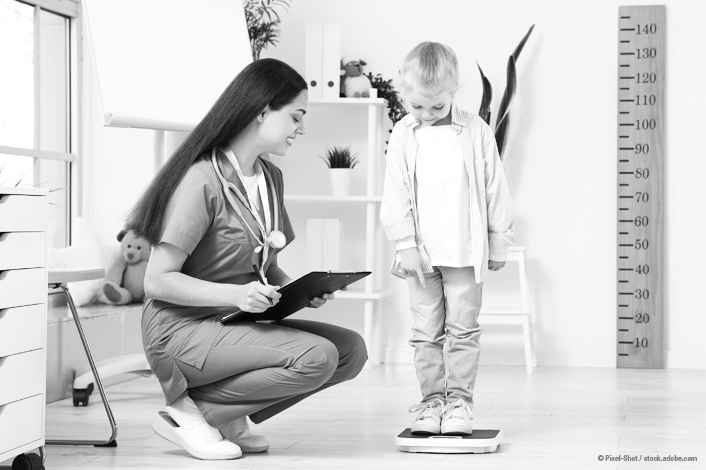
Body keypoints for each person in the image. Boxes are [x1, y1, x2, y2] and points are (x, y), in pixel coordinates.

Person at [125, 58, 367, 460]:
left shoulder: (270, 179)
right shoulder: (201, 179)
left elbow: (264, 263)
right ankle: (188, 413)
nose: (302, 129)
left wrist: (300, 291)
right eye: (296, 117)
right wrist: (236, 296)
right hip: (181, 329)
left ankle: (222, 416)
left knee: (349, 350)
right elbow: (157, 281)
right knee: (317, 356)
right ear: (261, 111)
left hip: (235, 321)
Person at [380, 42, 515, 436]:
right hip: (420, 257)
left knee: (463, 331)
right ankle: (430, 404)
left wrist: (499, 241)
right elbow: (396, 193)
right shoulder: (405, 135)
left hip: (463, 253)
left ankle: (458, 403)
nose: (425, 114)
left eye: (436, 107)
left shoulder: (476, 131)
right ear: (405, 93)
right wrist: (404, 243)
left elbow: (495, 189)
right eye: (417, 105)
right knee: (425, 333)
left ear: (455, 91)